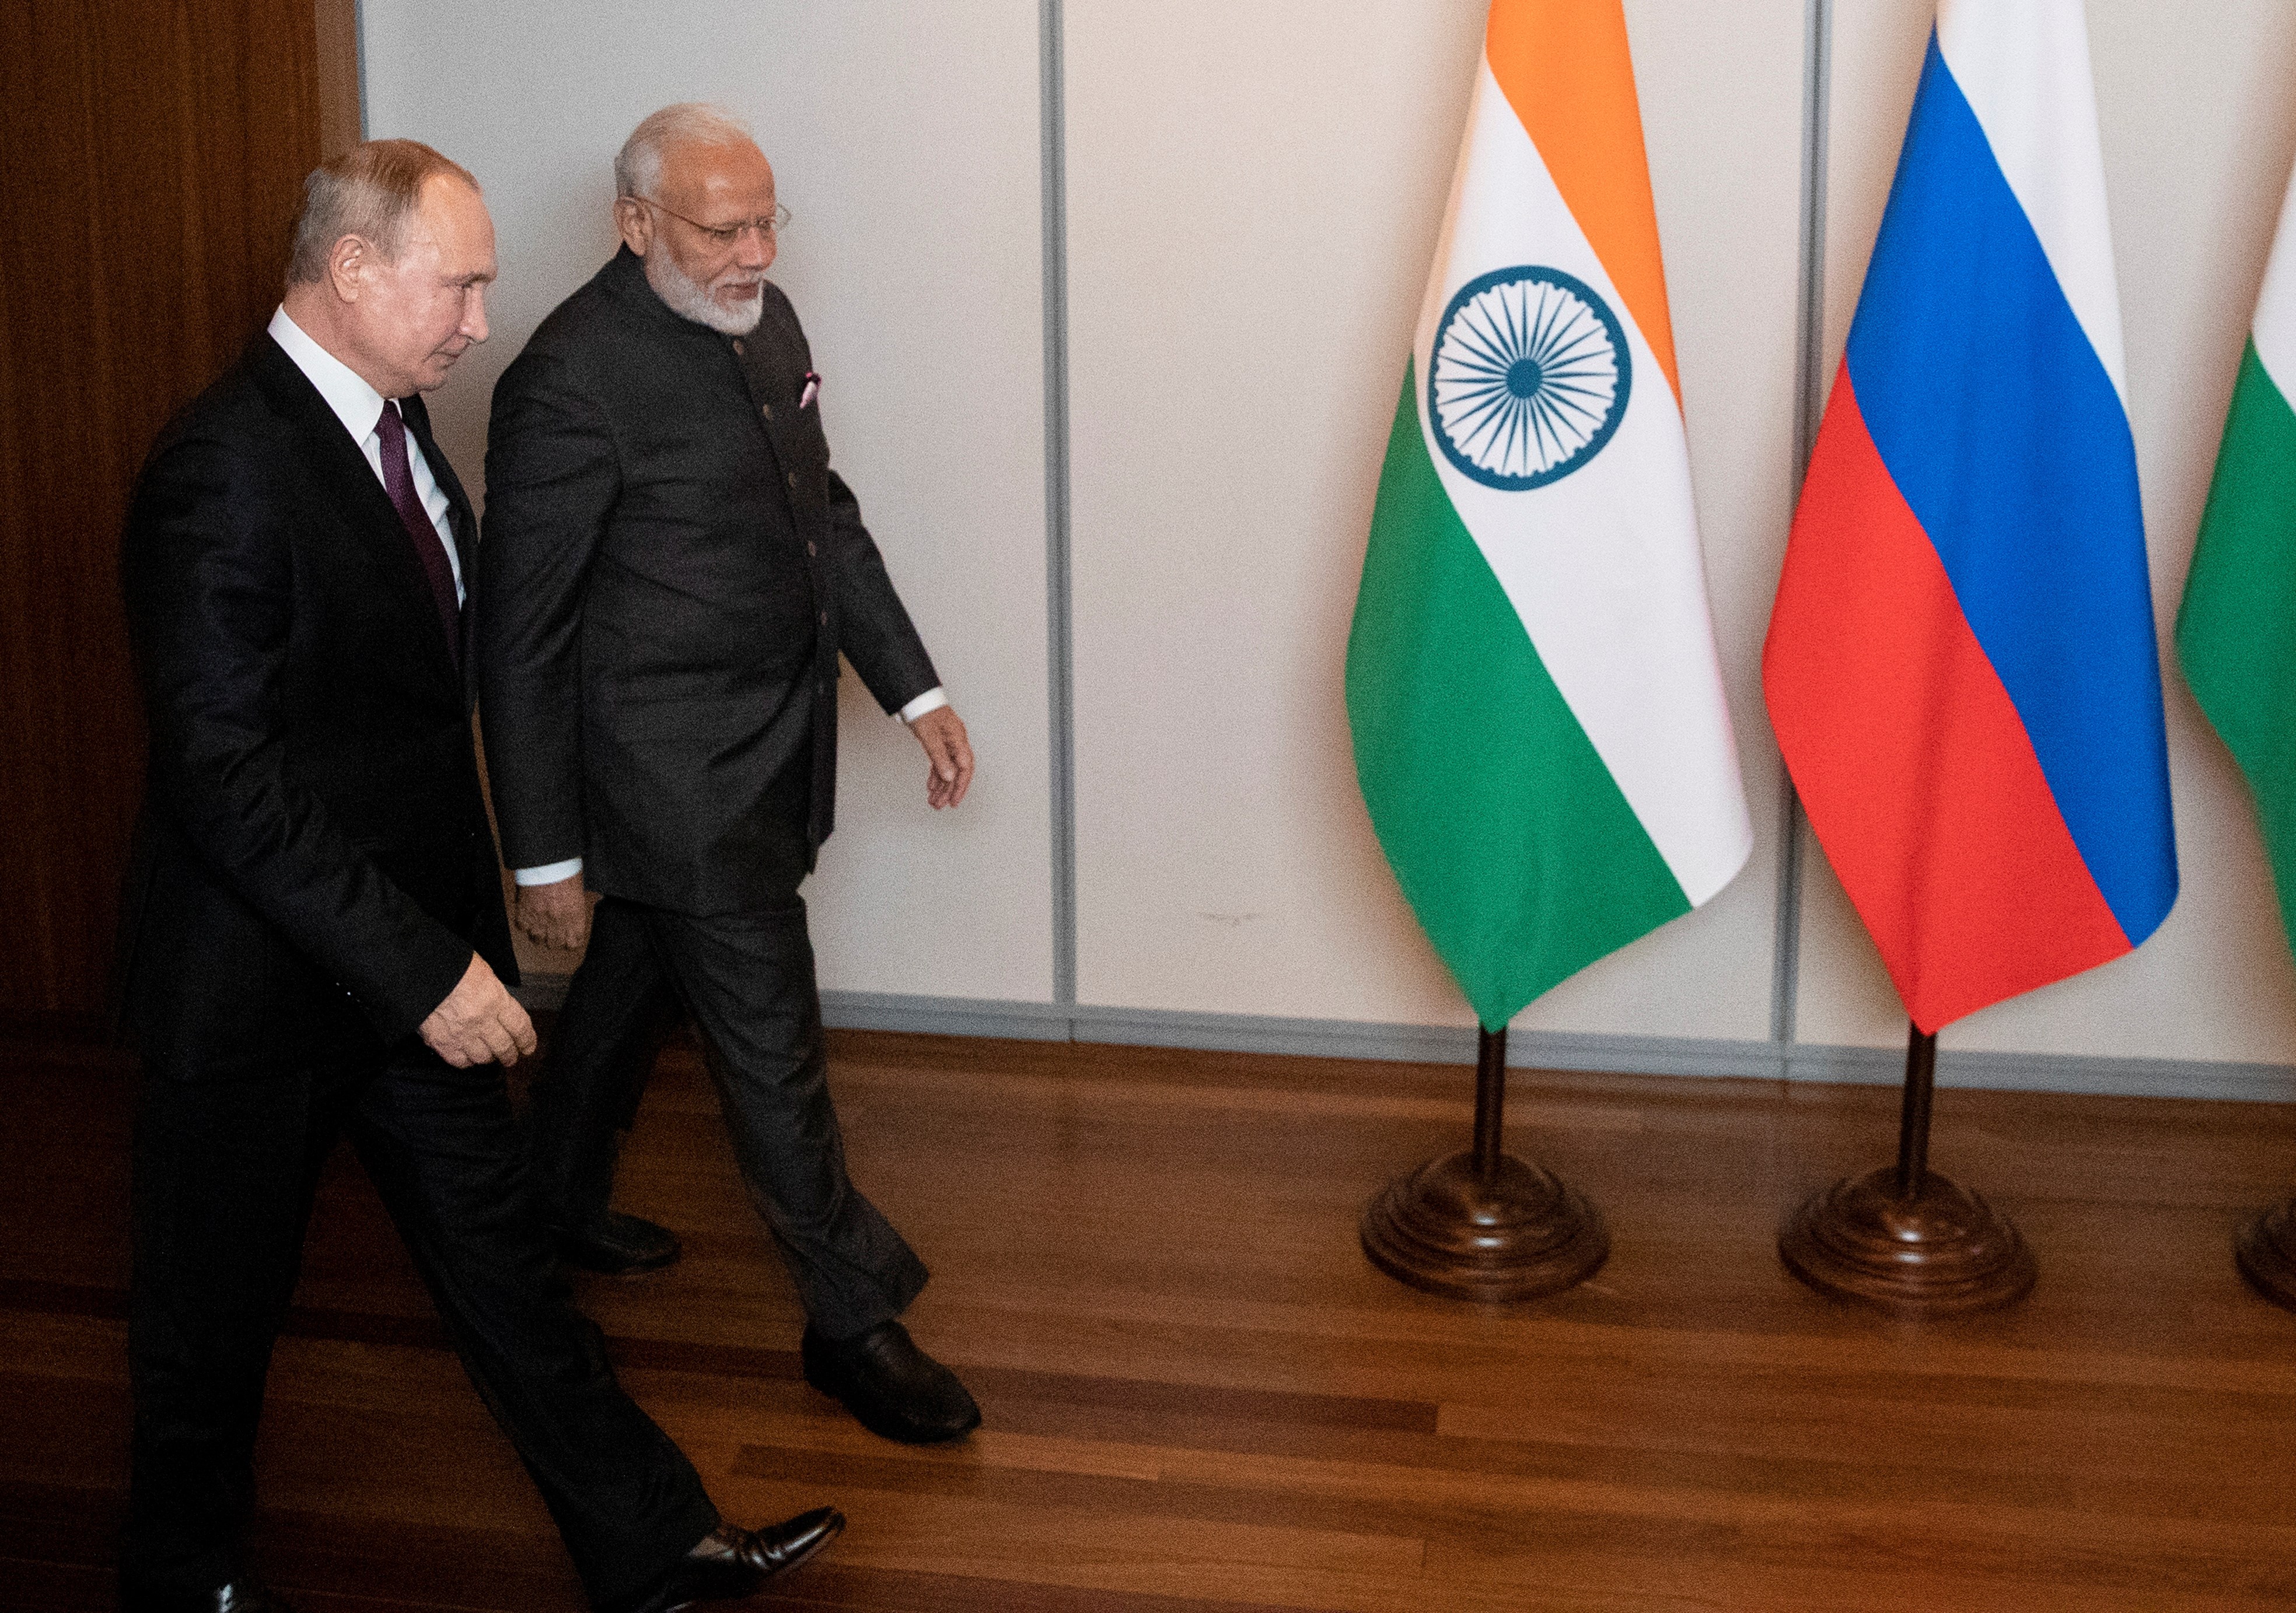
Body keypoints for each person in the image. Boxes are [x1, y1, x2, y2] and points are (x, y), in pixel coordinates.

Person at [113, 138, 840, 1613]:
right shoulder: (222, 468)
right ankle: (180, 1587)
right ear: (355, 269)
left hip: (410, 971)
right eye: (459, 284)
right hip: (257, 998)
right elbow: (228, 781)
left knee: (510, 1273)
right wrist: (426, 967)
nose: (479, 320)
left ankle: (656, 1549)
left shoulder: (397, 430)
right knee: (209, 1332)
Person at [477, 103, 981, 1447]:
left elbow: (824, 516)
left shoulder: (766, 318)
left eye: (768, 221)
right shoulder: (568, 378)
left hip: (773, 746)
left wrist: (911, 683)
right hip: (671, 782)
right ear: (636, 223)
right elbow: (515, 639)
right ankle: (852, 1322)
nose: (755, 250)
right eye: (724, 227)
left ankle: (545, 1210)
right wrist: (545, 856)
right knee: (773, 1056)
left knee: (619, 999)